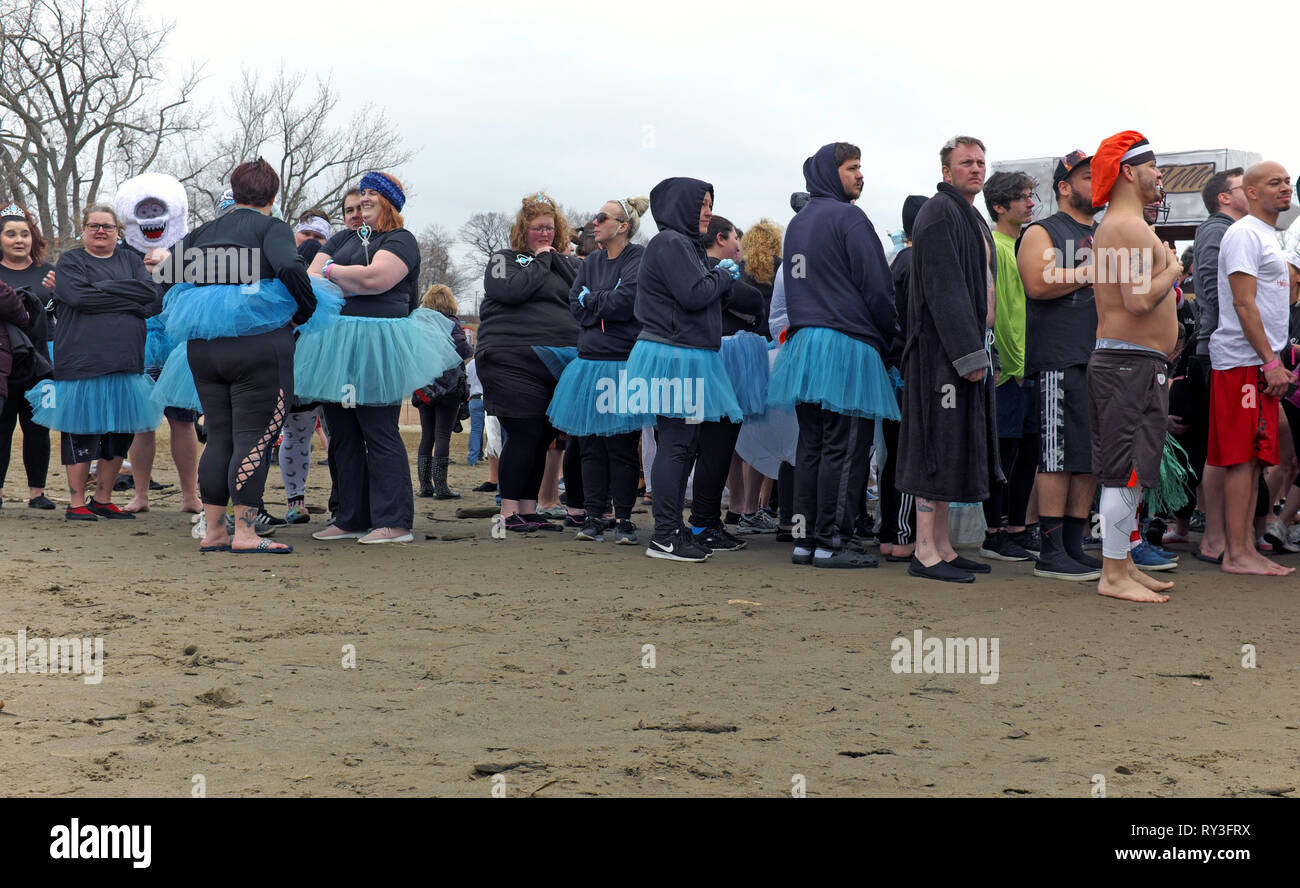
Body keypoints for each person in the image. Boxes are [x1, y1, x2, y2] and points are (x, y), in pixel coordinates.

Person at [148, 158, 341, 553]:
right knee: (254, 438)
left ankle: (215, 532)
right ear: (273, 195)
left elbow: (165, 275)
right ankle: (248, 534)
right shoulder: (271, 227)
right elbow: (290, 265)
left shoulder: (206, 230)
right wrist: (300, 313)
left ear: (234, 194)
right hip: (260, 347)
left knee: (219, 437)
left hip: (205, 348)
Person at [300, 171, 459, 544]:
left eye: (372, 194)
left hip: (379, 344)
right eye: (361, 195)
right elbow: (311, 279)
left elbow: (375, 280)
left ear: (389, 201)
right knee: (342, 432)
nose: (364, 201)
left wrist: (333, 270)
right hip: (338, 345)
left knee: (378, 428)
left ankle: (395, 521)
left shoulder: (400, 239)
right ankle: (351, 516)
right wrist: (335, 273)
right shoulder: (342, 238)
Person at [767, 142, 899, 568]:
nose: (861, 175)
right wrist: (889, 337)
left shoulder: (798, 223)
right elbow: (878, 288)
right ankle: (832, 542)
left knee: (813, 445)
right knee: (845, 446)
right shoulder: (850, 217)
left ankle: (806, 539)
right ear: (831, 172)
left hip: (806, 346)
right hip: (847, 344)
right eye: (852, 168)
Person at [897, 136, 1001, 583]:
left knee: (952, 446)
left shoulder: (969, 215)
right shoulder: (938, 213)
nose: (975, 169)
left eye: (980, 162)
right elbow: (945, 289)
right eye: (965, 163)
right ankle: (924, 551)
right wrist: (968, 355)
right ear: (946, 171)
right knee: (933, 447)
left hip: (963, 350)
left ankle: (942, 546)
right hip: (940, 355)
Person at [625, 177, 744, 561]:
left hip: (683, 354)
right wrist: (723, 276)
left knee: (684, 443)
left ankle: (674, 529)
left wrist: (715, 275)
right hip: (674, 356)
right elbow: (694, 294)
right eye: (702, 204)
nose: (708, 211)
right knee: (677, 443)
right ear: (682, 206)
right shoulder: (671, 242)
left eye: (710, 204)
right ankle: (664, 535)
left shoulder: (682, 244)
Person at [1087, 130, 1183, 602]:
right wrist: (1173, 269)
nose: (1161, 175)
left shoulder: (1127, 225)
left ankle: (1122, 564)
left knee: (1135, 470)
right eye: (1154, 166)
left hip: (1137, 363)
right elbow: (1138, 299)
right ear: (1128, 171)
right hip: (1126, 364)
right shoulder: (1124, 226)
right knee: (1124, 471)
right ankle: (1113, 574)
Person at [28, 205, 162, 520]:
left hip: (126, 362)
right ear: (84, 230)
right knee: (81, 432)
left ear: (118, 231)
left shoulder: (130, 260)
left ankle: (103, 498)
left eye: (107, 226)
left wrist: (101, 291)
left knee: (118, 434)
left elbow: (152, 299)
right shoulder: (73, 260)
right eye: (94, 225)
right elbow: (77, 297)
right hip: (81, 361)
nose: (100, 231)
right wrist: (128, 297)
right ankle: (76, 503)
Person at [1014, 150, 1106, 580]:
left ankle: (1073, 543)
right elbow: (1036, 282)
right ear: (1064, 187)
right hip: (1059, 355)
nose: (1098, 182)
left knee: (1087, 456)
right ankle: (1050, 552)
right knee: (1056, 455)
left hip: (1101, 357)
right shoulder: (1042, 230)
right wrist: (1090, 272)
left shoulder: (1106, 232)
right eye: (1088, 176)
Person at [1207, 160, 1297, 577]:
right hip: (1243, 362)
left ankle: (1244, 548)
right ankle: (1236, 552)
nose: (1285, 188)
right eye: (1274, 183)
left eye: (1287, 182)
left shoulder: (1269, 235)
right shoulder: (1243, 234)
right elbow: (1243, 303)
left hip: (1258, 362)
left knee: (1257, 457)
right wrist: (1270, 361)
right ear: (1253, 192)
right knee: (1241, 458)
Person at [475, 193, 581, 533]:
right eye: (537, 229)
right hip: (511, 357)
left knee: (542, 434)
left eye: (550, 228)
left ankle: (528, 508)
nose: (545, 235)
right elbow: (510, 292)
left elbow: (581, 294)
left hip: (558, 360)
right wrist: (540, 260)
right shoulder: (505, 259)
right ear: (524, 230)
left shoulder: (568, 263)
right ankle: (507, 512)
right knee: (523, 431)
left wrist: (556, 260)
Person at [547, 196, 649, 543]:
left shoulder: (638, 257)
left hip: (622, 365)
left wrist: (594, 301)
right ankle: (593, 517)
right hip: (588, 365)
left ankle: (623, 519)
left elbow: (627, 302)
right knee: (589, 445)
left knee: (621, 447)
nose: (594, 222)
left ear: (623, 226)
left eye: (601, 217)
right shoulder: (590, 261)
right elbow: (575, 303)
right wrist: (598, 302)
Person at [112, 172, 202, 515]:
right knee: (141, 422)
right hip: (137, 338)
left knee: (183, 420)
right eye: (144, 210)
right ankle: (141, 494)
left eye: (157, 209)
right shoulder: (122, 253)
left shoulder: (189, 248)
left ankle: (190, 495)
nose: (151, 217)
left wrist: (173, 265)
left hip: (178, 340)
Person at [1183, 168, 1248, 562]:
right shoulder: (1216, 230)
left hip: (1235, 350)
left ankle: (1226, 536)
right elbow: (1211, 289)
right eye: (1244, 187)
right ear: (1224, 197)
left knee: (1229, 448)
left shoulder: (1239, 231)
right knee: (1223, 449)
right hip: (1222, 350)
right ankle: (1214, 537)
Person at [978, 171, 1038, 562]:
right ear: (1000, 206)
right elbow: (995, 312)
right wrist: (1002, 361)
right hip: (1008, 369)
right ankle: (994, 533)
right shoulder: (997, 246)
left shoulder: (1024, 246)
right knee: (1003, 454)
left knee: (1028, 453)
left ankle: (1016, 528)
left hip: (1029, 365)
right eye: (1021, 197)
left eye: (1031, 195)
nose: (1030, 202)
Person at [877, 195, 927, 563]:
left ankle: (890, 531)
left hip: (893, 369)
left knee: (893, 454)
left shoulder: (898, 261)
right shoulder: (915, 261)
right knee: (909, 455)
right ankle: (901, 533)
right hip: (907, 372)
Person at [0, 202, 55, 510]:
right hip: (4, 364)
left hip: (41, 362)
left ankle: (38, 492)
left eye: (24, 234)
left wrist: (61, 291)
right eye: (10, 234)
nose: (18, 240)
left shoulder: (49, 272)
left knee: (38, 428)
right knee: (2, 428)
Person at [414, 283, 473, 498]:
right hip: (448, 387)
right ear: (450, 303)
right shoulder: (452, 324)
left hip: (424, 386)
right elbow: (464, 351)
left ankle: (425, 486)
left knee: (426, 436)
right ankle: (441, 487)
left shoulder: (419, 324)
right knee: (442, 437)